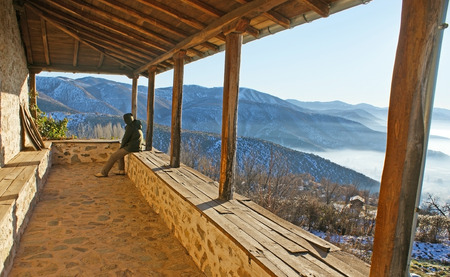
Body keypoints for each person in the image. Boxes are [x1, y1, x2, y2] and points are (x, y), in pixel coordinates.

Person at [95, 113, 144, 177]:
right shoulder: (136, 125)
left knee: (113, 157)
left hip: (131, 147)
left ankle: (103, 173)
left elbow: (125, 138)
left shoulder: (130, 127)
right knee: (120, 154)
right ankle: (121, 170)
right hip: (137, 147)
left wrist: (122, 146)